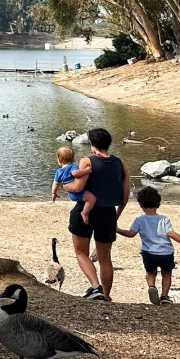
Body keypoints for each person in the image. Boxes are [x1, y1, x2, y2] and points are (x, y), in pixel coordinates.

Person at [61, 127, 129, 301]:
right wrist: (115, 217)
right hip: (108, 213)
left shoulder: (87, 161)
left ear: (92, 144)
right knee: (105, 257)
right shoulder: (121, 164)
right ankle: (106, 295)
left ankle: (95, 287)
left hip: (85, 211)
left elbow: (77, 187)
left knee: (81, 252)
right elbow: (125, 196)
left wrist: (64, 185)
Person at [117, 185, 180, 304]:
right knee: (167, 273)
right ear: (158, 203)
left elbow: (131, 234)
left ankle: (151, 287)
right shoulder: (164, 219)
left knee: (151, 272)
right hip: (166, 252)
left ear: (141, 205)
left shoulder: (139, 220)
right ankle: (164, 296)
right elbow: (171, 234)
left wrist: (117, 230)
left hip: (148, 252)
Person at [51, 145, 98, 222]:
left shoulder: (59, 172)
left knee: (89, 199)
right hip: (79, 192)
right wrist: (87, 170)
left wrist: (54, 193)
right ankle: (85, 213)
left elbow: (55, 183)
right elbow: (75, 173)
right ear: (73, 159)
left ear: (59, 160)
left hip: (71, 193)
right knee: (92, 199)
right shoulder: (73, 167)